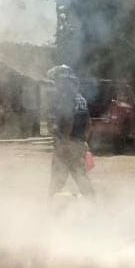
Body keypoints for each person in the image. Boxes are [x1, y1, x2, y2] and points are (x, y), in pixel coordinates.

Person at [45, 64, 94, 198]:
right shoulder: (80, 98)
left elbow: (69, 121)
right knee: (81, 177)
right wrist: (83, 142)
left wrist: (64, 142)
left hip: (66, 144)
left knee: (57, 179)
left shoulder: (65, 97)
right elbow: (89, 123)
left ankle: (51, 209)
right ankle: (93, 206)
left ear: (62, 81)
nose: (55, 85)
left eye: (56, 81)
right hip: (79, 144)